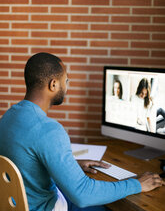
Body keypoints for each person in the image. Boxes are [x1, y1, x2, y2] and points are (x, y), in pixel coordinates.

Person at [0, 53, 164, 211]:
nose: (67, 85)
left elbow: (26, 163)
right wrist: (137, 184)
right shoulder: (48, 130)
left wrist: (70, 166)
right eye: (66, 80)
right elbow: (82, 194)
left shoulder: (8, 117)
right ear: (53, 84)